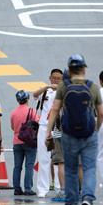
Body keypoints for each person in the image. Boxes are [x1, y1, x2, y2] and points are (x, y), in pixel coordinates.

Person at [46, 54, 103, 205]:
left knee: (70, 169)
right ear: (84, 68)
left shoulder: (63, 87)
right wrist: (96, 130)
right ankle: (87, 198)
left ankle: (71, 204)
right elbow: (101, 114)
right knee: (89, 168)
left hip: (69, 133)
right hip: (88, 133)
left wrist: (47, 132)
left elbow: (55, 110)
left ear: (69, 70)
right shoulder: (92, 87)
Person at [32, 69, 63, 197]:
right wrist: (47, 86)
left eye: (58, 78)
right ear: (50, 78)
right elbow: (34, 95)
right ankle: (42, 189)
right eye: (53, 78)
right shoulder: (46, 91)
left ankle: (58, 187)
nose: (55, 80)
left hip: (58, 128)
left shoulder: (64, 93)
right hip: (44, 127)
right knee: (43, 158)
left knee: (58, 159)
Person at [10, 90, 39, 195]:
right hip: (30, 142)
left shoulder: (13, 113)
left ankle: (17, 188)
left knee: (17, 166)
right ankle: (28, 189)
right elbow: (37, 124)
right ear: (27, 99)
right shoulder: (31, 111)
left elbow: (13, 127)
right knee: (29, 166)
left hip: (17, 141)